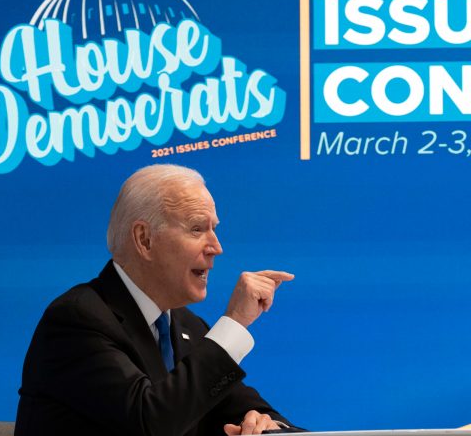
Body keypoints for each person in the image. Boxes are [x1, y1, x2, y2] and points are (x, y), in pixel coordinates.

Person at [15, 164, 299, 436]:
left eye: (214, 228)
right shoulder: (77, 320)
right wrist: (235, 323)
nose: (216, 247)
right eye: (197, 229)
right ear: (145, 239)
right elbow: (151, 423)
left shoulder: (188, 326)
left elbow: (259, 415)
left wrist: (266, 427)